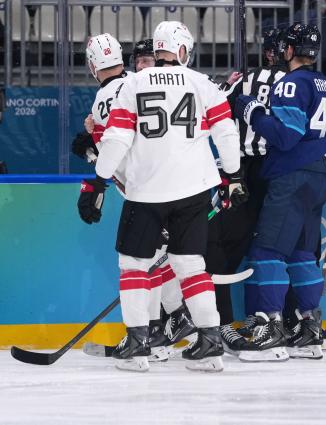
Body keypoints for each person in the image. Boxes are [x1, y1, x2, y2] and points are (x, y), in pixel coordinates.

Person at [76, 21, 246, 372]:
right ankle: (210, 343)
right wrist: (233, 176)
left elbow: (118, 140)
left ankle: (138, 344)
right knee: (190, 266)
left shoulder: (134, 83)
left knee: (134, 265)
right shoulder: (201, 82)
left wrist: (97, 183)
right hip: (195, 189)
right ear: (183, 51)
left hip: (146, 191)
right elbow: (226, 132)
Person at [233, 23, 326, 362]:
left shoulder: (290, 84)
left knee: (266, 252)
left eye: (283, 48)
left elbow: (286, 136)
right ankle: (310, 331)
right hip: (319, 180)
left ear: (290, 51)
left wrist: (250, 109)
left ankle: (271, 330)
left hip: (291, 177)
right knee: (301, 255)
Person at [71, 35, 195, 363]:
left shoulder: (102, 101)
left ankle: (150, 332)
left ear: (92, 65)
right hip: (176, 181)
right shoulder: (140, 82)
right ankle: (174, 321)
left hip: (144, 192)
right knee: (157, 257)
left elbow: (110, 153)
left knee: (136, 261)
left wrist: (92, 169)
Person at [204, 28, 288, 356]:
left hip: (243, 170)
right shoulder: (305, 83)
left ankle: (230, 320)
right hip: (281, 172)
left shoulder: (244, 80)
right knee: (275, 249)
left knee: (224, 244)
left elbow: (214, 109)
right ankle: (290, 321)